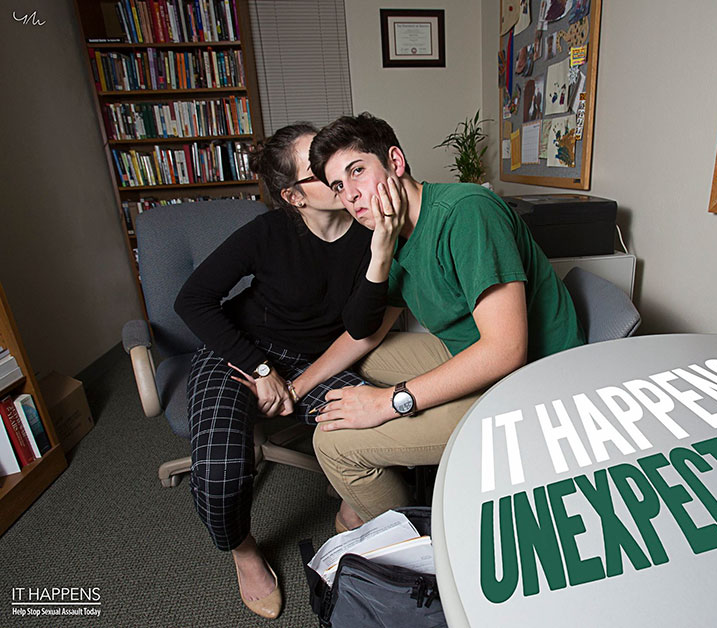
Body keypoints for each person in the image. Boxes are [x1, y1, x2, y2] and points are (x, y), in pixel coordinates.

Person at [301, 112, 585, 532]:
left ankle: (416, 541)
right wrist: (298, 385)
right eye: (339, 186)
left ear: (395, 162)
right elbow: (368, 333)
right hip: (473, 350)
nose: (351, 195)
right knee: (367, 360)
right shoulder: (393, 230)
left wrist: (387, 403)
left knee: (332, 445)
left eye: (357, 171)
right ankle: (375, 488)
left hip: (531, 386)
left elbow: (507, 350)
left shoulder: (465, 212)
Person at [173, 123, 404, 619]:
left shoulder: (374, 225)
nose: (337, 172)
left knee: (383, 430)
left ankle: (350, 503)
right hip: (239, 350)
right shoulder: (268, 232)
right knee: (220, 470)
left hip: (316, 358)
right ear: (294, 196)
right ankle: (243, 550)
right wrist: (259, 368)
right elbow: (192, 300)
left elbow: (366, 326)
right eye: (319, 170)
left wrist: (299, 382)